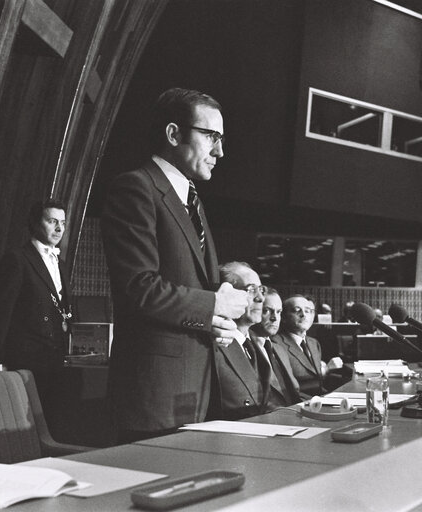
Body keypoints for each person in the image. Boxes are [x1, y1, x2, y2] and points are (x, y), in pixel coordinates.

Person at [101, 88, 248, 441]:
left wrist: (219, 321)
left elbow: (191, 287)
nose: (220, 151)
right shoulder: (136, 188)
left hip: (196, 391)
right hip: (154, 397)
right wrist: (214, 304)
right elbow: (140, 287)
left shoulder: (192, 200)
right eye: (211, 136)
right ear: (173, 134)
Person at [0, 200, 71, 428]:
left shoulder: (61, 264)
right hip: (26, 360)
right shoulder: (17, 259)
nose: (59, 229)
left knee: (54, 425)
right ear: (35, 224)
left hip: (55, 361)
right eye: (52, 221)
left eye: (62, 223)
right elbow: (0, 313)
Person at [211, 265, 299, 419]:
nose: (260, 298)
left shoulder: (253, 344)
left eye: (261, 290)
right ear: (224, 294)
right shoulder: (214, 344)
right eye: (251, 289)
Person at [273, 295, 328, 398]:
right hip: (298, 405)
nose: (304, 315)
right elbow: (286, 390)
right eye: (297, 310)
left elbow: (318, 385)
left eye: (308, 311)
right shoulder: (275, 344)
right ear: (283, 317)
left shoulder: (314, 343)